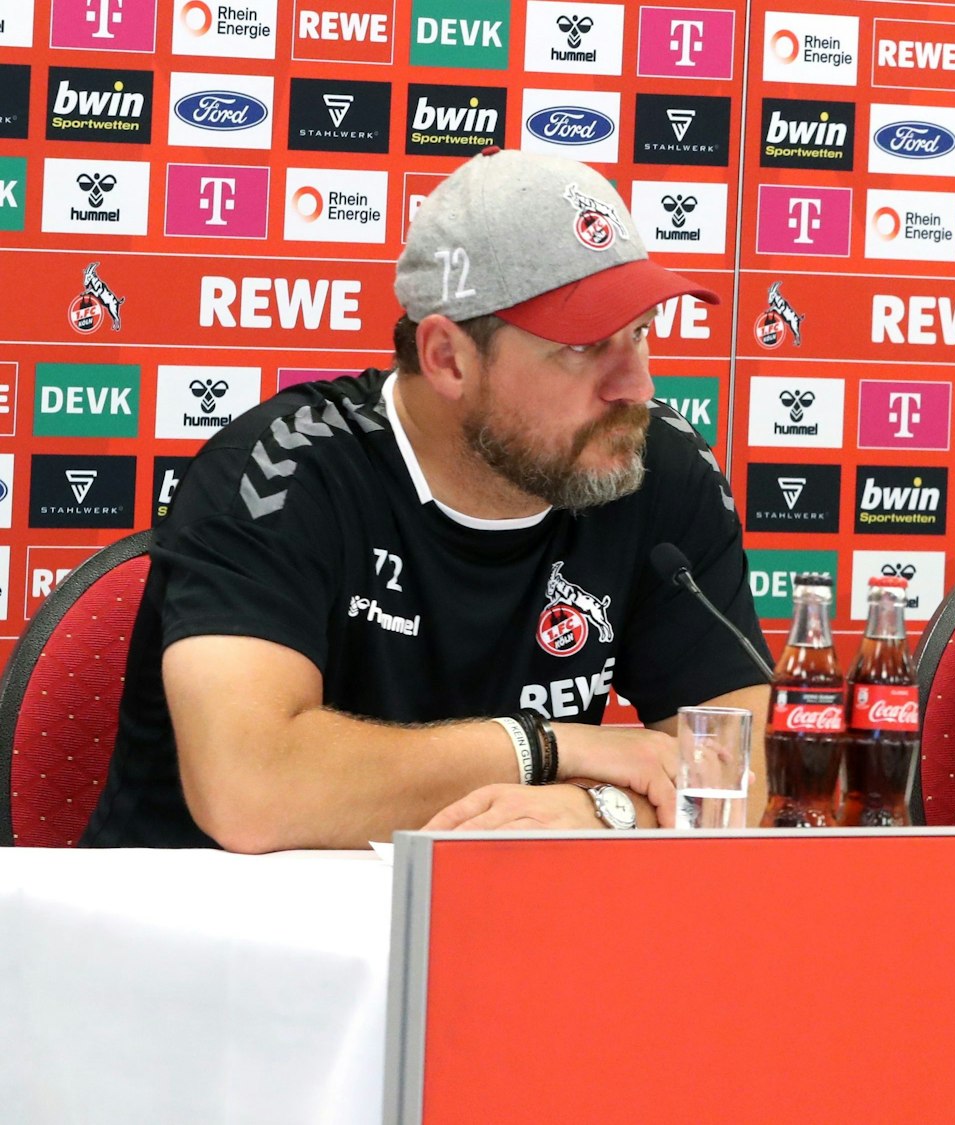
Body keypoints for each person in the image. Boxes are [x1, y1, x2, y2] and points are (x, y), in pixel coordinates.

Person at [83, 149, 771, 850]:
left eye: (641, 333)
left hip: (486, 930)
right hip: (216, 943)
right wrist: (547, 748)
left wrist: (606, 813)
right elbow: (250, 789)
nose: (635, 386)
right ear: (447, 357)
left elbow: (734, 775)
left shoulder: (651, 463)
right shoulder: (279, 471)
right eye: (585, 345)